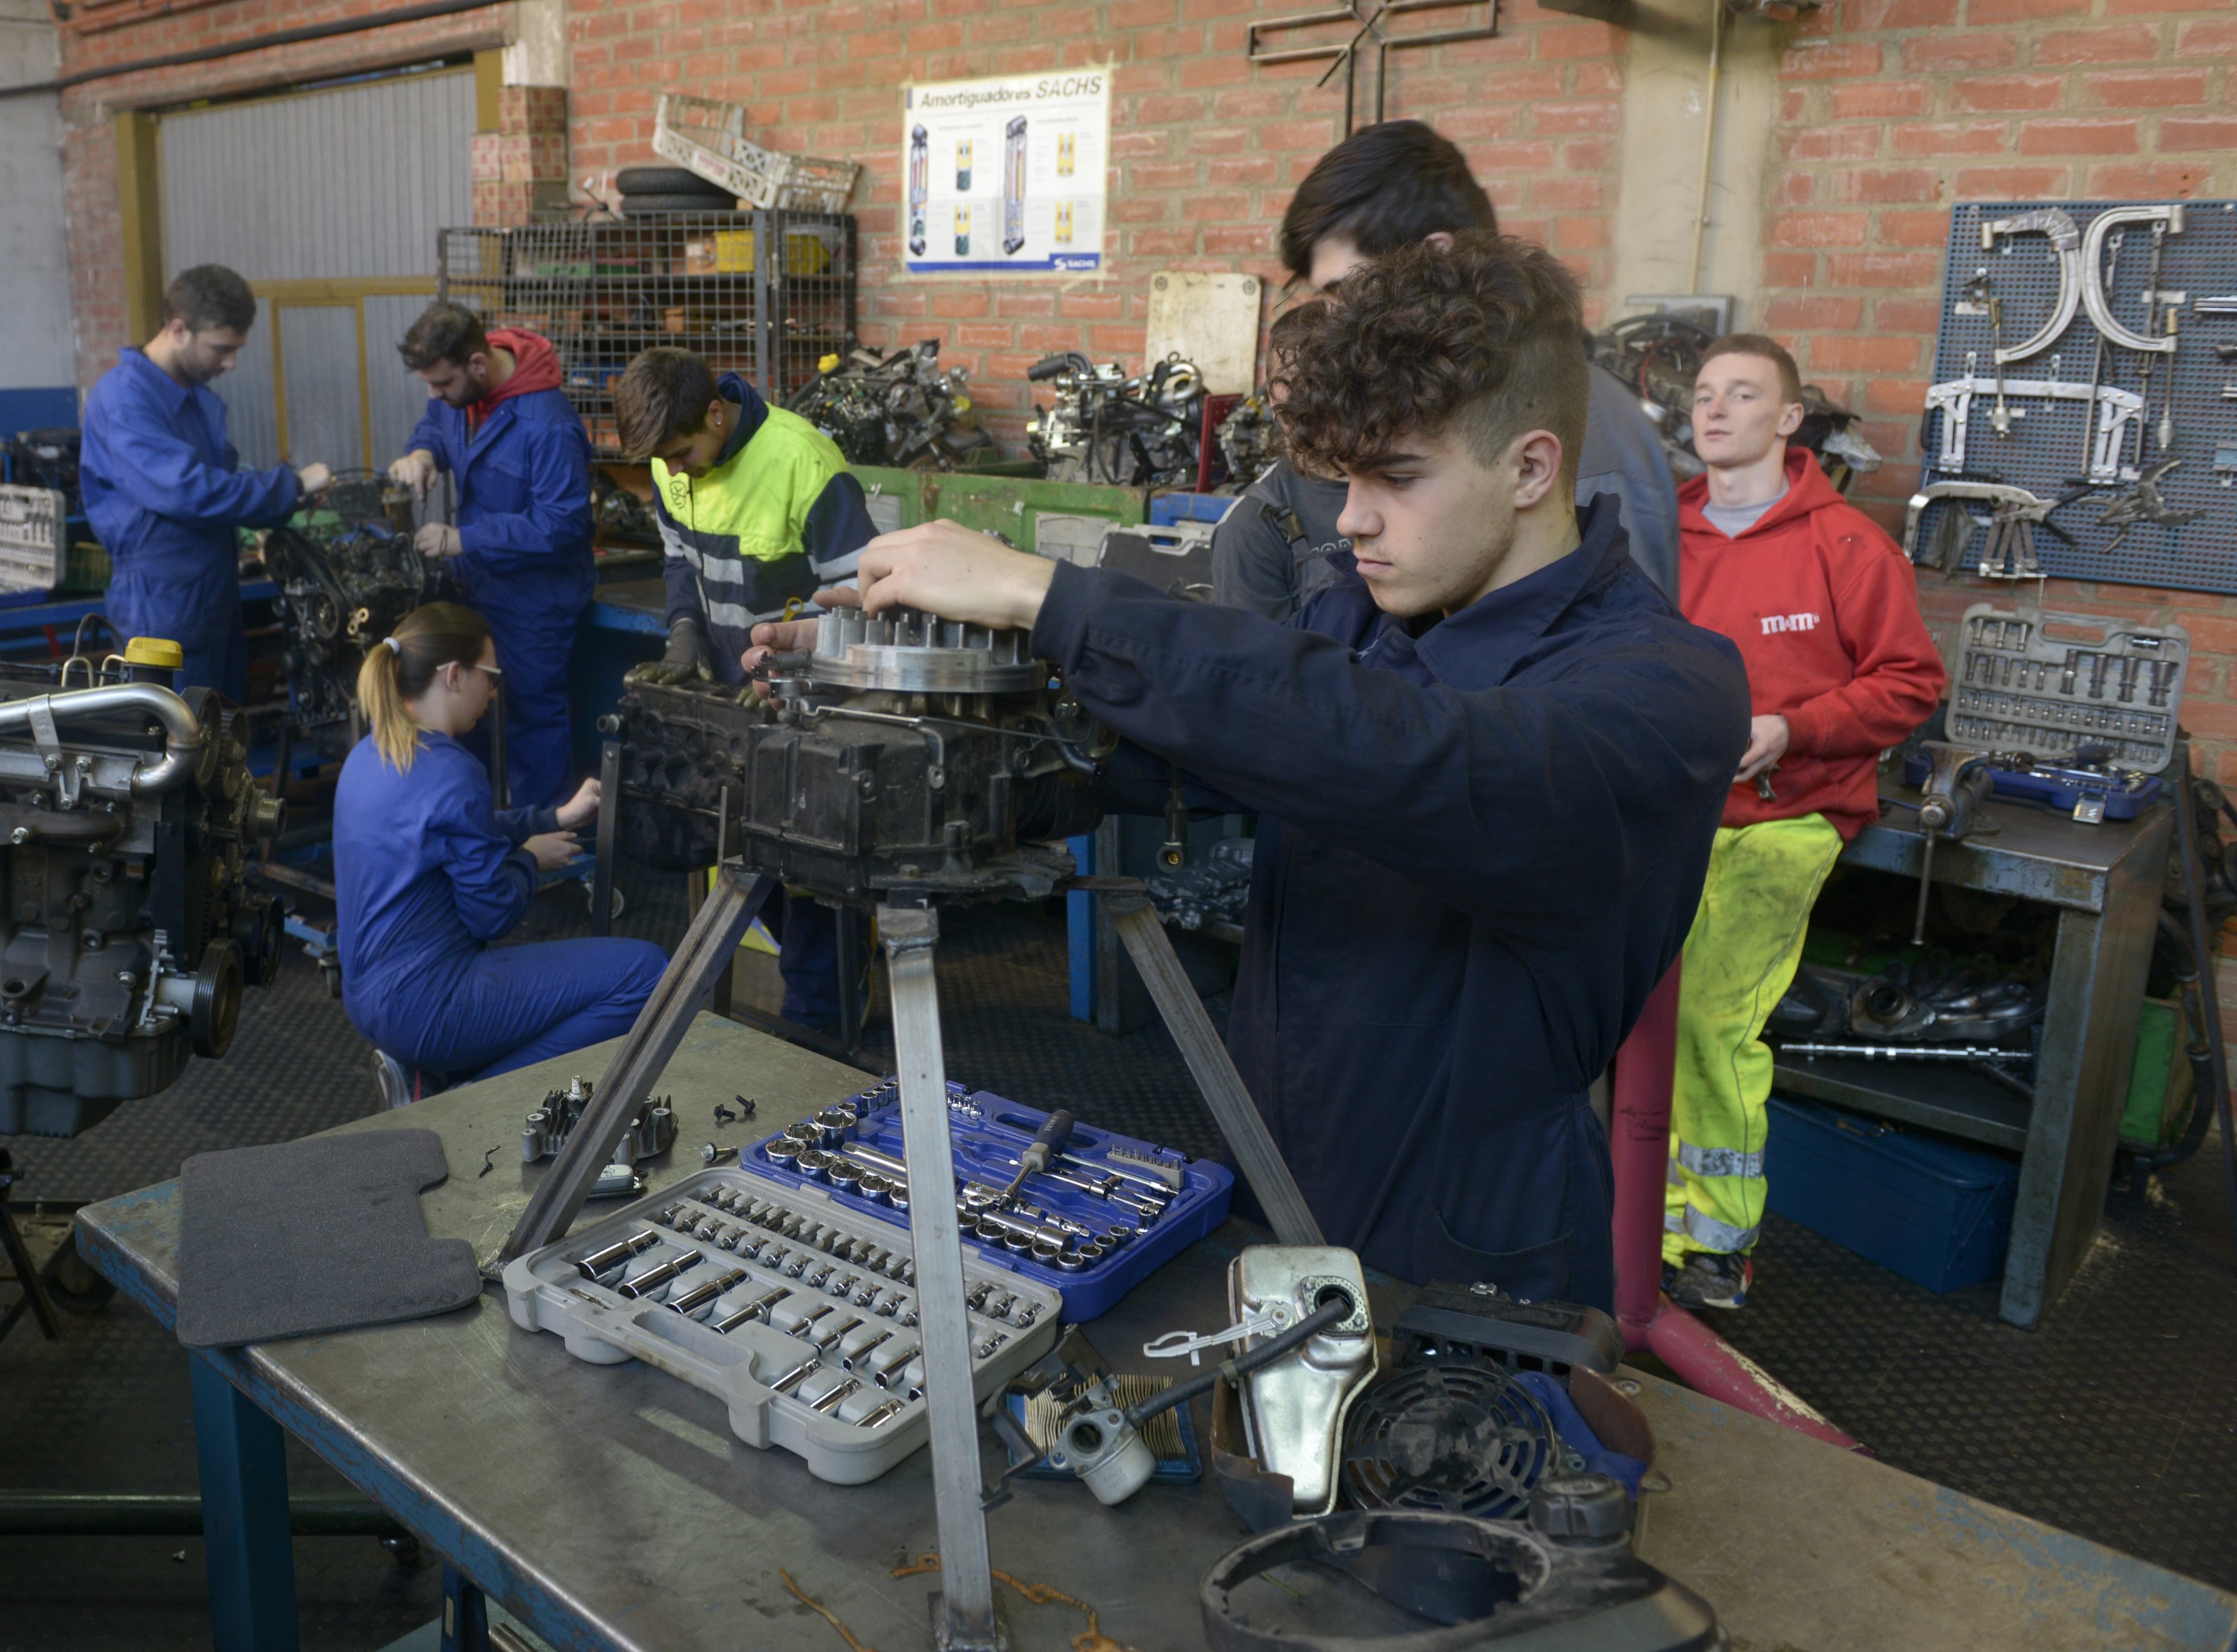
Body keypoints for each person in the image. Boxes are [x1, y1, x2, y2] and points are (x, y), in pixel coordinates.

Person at [758, 235, 1750, 1306]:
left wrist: (1053, 597)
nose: (1357, 518)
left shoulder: (1665, 688)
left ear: (1531, 466)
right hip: (1273, 1169)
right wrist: (924, 699)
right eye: (1347, 479)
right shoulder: (1362, 616)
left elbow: (1421, 757)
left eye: (1398, 478)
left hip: (1466, 1253)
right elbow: (1205, 742)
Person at [1665, 335, 1944, 1309]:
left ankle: (1713, 1243)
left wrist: (1793, 728)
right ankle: (1635, 1212)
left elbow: (1911, 683)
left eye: (1743, 394)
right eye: (1704, 394)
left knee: (1712, 1013)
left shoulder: (1846, 545)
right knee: (1626, 1000)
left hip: (1791, 819)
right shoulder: (1663, 534)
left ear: (1789, 422)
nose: (1716, 410)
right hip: (1673, 812)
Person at [1213, 120, 1682, 620]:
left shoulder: (1585, 432)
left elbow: (1609, 655)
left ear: (1438, 256)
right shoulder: (1450, 415)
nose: (1329, 325)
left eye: (1341, 293)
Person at [616, 345, 877, 1035]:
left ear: (715, 411)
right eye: (663, 462)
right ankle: (827, 971)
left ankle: (822, 1032)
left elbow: (863, 601)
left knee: (808, 870)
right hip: (734, 705)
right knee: (744, 857)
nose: (672, 470)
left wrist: (793, 674)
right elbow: (679, 558)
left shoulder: (804, 462)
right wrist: (684, 635)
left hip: (811, 708)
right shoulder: (667, 459)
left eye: (681, 453)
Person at [332, 601, 669, 1085]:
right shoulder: (454, 770)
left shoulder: (370, 753)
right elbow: (490, 912)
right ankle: (472, 1095)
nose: (492, 693)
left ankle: (440, 1074)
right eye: (489, 677)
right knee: (648, 975)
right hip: (427, 1001)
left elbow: (459, 828)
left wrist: (554, 816)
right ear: (453, 676)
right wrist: (531, 859)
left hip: (368, 999)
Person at [82, 265, 332, 700]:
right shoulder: (125, 400)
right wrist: (292, 485)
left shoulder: (192, 399)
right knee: (172, 746)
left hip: (212, 596)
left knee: (220, 742)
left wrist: (286, 499)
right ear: (179, 330)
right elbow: (191, 490)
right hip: (161, 610)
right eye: (222, 349)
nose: (231, 363)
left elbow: (225, 480)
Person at [386, 302, 596, 811]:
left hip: (534, 601)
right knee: (461, 713)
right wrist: (423, 453)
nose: (435, 395)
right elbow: (436, 423)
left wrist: (465, 540)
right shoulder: (462, 395)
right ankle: (476, 833)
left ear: (478, 364)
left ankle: (546, 846)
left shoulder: (548, 424)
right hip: (476, 588)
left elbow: (562, 524)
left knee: (531, 719)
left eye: (442, 384)